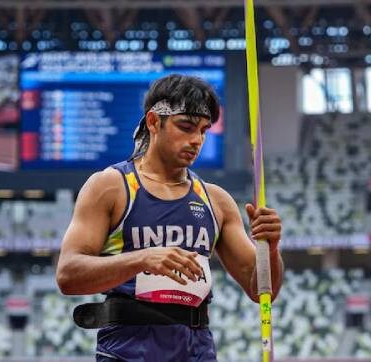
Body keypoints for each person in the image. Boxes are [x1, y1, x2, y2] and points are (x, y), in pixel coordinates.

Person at [56, 74, 284, 361]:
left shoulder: (216, 200)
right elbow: (67, 275)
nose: (196, 140)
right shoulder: (110, 187)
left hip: (196, 349)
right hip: (128, 350)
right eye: (186, 127)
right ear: (153, 122)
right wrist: (143, 258)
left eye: (203, 130)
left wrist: (271, 249)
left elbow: (262, 289)